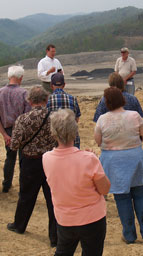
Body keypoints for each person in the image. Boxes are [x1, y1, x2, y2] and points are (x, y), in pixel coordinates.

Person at [95, 87, 143, 245]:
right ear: (122, 100)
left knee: (122, 198)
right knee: (140, 195)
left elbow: (98, 141)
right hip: (135, 159)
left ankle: (129, 235)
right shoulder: (134, 115)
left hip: (113, 162)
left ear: (107, 102)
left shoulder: (102, 119)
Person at [43, 109, 111, 255]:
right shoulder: (89, 159)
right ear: (75, 133)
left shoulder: (47, 158)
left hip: (65, 218)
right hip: (92, 217)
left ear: (53, 134)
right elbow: (104, 189)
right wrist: (95, 161)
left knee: (63, 250)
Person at [7, 86, 57, 247]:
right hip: (51, 161)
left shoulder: (23, 119)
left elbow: (14, 145)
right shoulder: (55, 118)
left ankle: (19, 225)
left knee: (26, 196)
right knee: (53, 200)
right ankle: (55, 237)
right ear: (46, 99)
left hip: (30, 161)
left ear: (29, 101)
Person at [0, 66, 31, 193]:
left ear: (9, 77)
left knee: (10, 158)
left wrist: (4, 134)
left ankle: (6, 185)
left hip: (7, 130)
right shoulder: (24, 93)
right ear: (21, 78)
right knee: (23, 160)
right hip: (22, 130)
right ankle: (23, 187)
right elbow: (28, 116)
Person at [46, 73, 81, 148]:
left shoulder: (47, 100)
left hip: (53, 138)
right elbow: (77, 119)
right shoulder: (73, 99)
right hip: (71, 138)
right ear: (64, 85)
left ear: (51, 85)